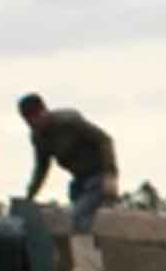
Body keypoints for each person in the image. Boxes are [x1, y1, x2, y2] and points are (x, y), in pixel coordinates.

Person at [19, 94, 120, 234]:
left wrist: (110, 174)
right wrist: (30, 196)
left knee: (78, 216)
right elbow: (42, 167)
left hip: (98, 175)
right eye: (28, 121)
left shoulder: (69, 122)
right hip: (79, 179)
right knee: (68, 218)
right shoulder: (38, 137)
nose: (33, 124)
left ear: (43, 111)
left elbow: (104, 140)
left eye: (35, 118)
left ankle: (87, 252)